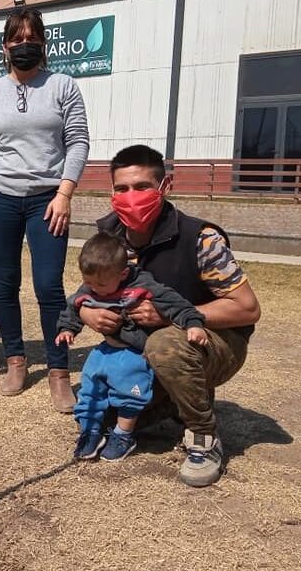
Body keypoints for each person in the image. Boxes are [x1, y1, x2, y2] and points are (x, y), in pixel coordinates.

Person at [81, 144, 261, 486]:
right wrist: (88, 313)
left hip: (211, 342)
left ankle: (203, 436)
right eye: (121, 189)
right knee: (101, 418)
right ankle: (170, 403)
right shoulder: (109, 238)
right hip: (139, 349)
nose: (130, 197)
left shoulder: (200, 239)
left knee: (166, 345)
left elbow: (247, 308)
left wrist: (172, 316)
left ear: (165, 187)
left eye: (142, 187)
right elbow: (90, 290)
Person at [0, 8, 90, 411]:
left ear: (43, 44)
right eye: (16, 40)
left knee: (48, 285)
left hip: (47, 198)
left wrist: (65, 193)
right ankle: (15, 360)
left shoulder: (63, 86)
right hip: (0, 196)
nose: (24, 46)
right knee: (5, 283)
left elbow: (77, 142)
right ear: (4, 47)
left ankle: (59, 371)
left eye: (31, 39)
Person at [55, 232, 208, 462]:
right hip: (105, 349)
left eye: (101, 284)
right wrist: (67, 329)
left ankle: (123, 435)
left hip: (135, 352)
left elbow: (177, 304)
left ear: (123, 273)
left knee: (129, 392)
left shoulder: (143, 286)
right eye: (88, 282)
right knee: (89, 389)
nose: (94, 289)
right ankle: (90, 432)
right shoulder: (92, 286)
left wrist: (194, 324)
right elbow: (75, 303)